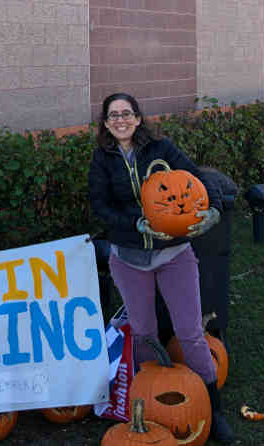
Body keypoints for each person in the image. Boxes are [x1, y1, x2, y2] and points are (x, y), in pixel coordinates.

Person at [88, 92, 233, 444]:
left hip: (174, 255)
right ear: (106, 124)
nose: (120, 119)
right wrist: (135, 223)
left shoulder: (161, 149)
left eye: (126, 113)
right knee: (144, 333)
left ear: (138, 118)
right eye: (113, 115)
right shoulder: (102, 161)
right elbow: (100, 207)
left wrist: (212, 210)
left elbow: (198, 180)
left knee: (190, 332)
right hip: (129, 259)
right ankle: (148, 409)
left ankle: (213, 410)